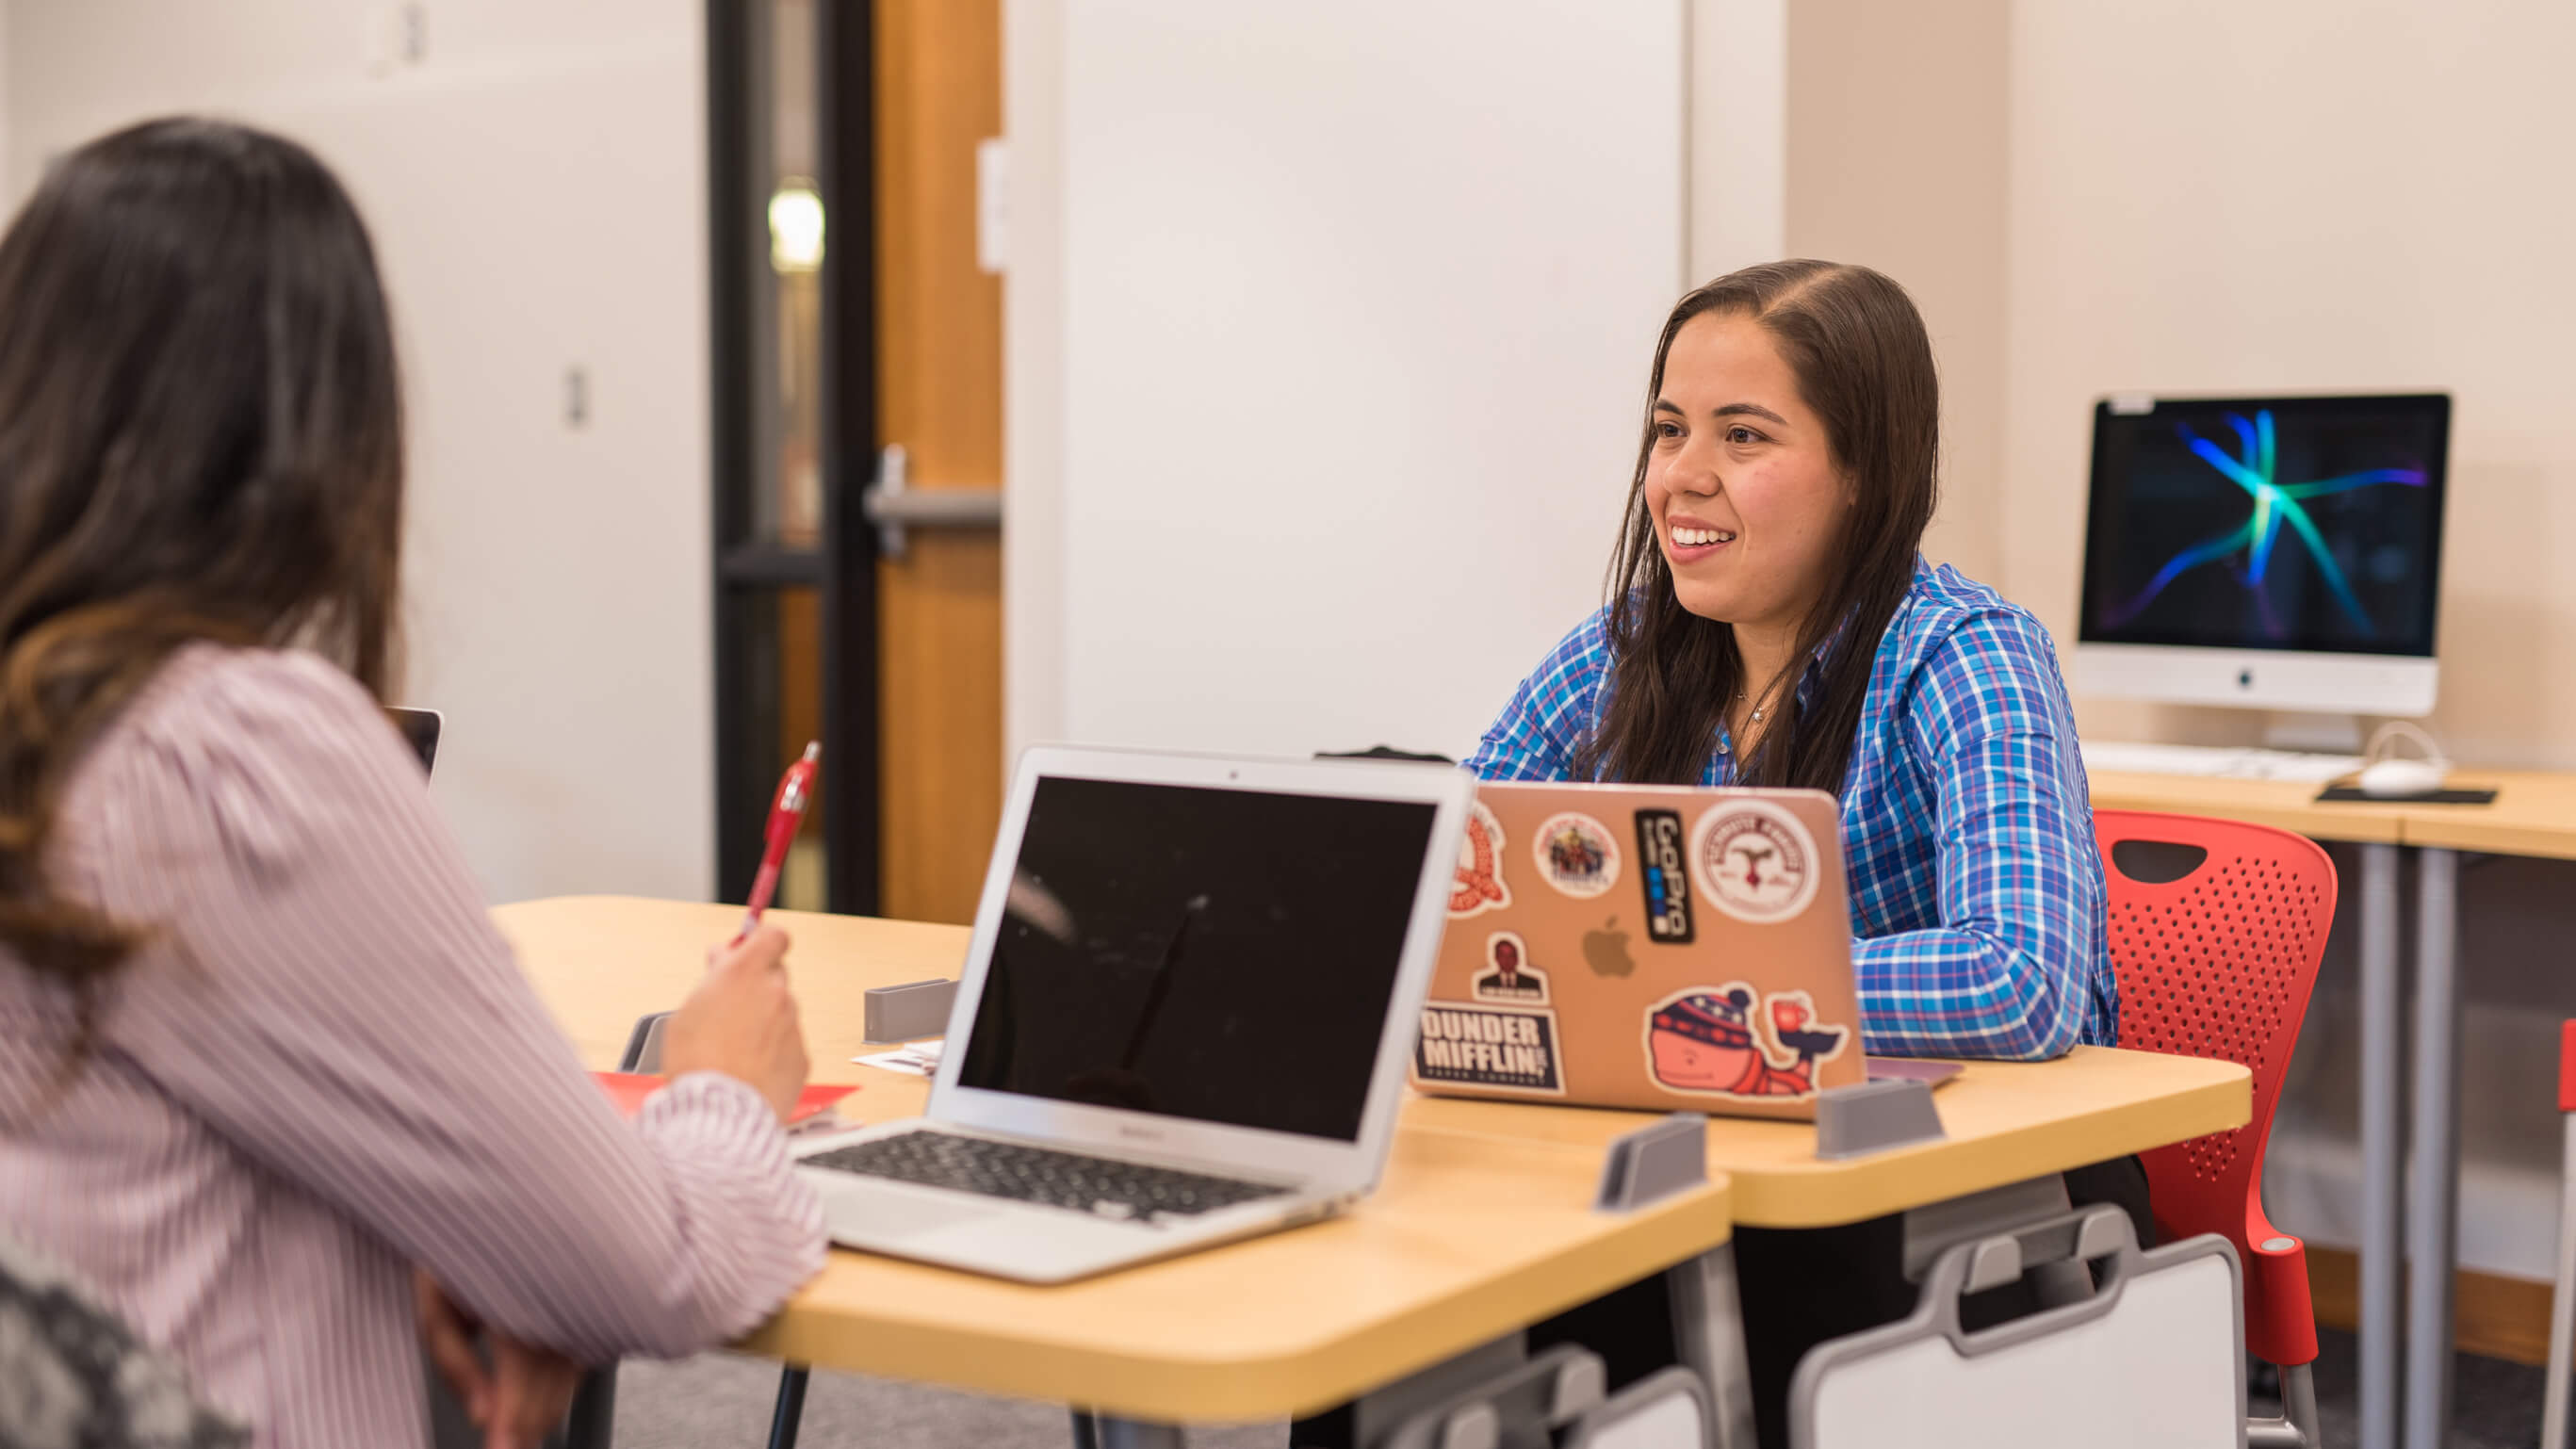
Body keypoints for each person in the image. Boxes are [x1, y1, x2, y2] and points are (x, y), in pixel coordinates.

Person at [0, 120, 823, 1449]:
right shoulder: (226, 755)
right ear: (318, 438)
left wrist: (448, 1233)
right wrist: (719, 1085)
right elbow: (648, 1262)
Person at [1465, 260, 2132, 1448]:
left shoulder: (1965, 653)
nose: (1683, 476)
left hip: (1958, 1193)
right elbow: (1456, 866)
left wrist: (1689, 988)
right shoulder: (1623, 650)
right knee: (1432, 1302)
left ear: (1864, 470)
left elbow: (2022, 981)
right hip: (1704, 1145)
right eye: (1669, 429)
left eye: (1744, 435)